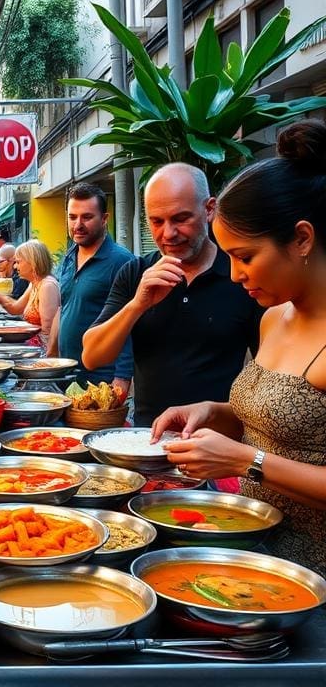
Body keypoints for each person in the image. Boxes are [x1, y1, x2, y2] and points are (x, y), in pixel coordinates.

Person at [151, 121, 326, 574]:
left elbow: (262, 451)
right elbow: (281, 424)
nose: (234, 274)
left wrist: (248, 461)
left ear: (302, 239)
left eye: (245, 257)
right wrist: (214, 412)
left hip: (311, 572)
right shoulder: (273, 319)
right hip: (252, 551)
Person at [81, 163, 262, 426]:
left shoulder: (239, 274)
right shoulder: (137, 273)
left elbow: (270, 374)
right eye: (156, 221)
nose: (168, 233)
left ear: (209, 209)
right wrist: (138, 304)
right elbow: (92, 356)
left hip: (216, 445)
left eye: (181, 219)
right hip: (146, 441)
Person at [49, 183, 134, 396]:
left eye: (87, 217)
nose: (78, 224)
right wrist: (50, 355)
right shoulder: (68, 257)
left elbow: (132, 323)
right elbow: (65, 307)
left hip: (102, 380)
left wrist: (122, 378)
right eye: (72, 217)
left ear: (104, 219)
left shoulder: (122, 261)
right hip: (66, 374)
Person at [0, 240, 60, 346]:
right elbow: (15, 308)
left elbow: (49, 332)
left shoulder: (47, 286)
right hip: (32, 344)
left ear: (32, 262)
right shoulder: (35, 283)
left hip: (41, 349)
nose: (15, 267)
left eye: (18, 262)